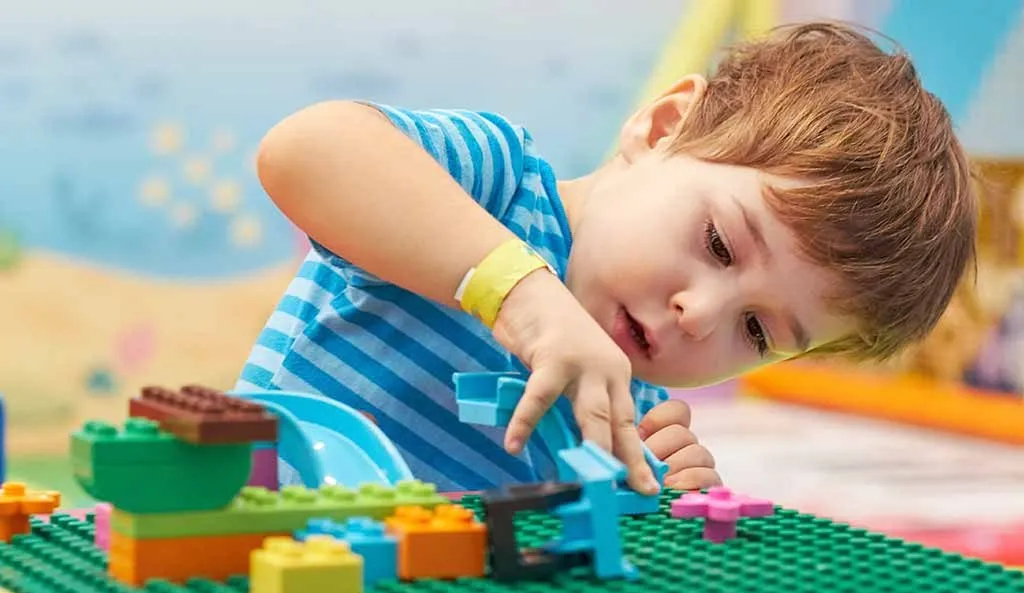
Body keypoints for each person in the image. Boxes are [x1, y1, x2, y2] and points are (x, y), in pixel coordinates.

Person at [236, 22, 977, 495]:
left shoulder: (633, 413)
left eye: (757, 332)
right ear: (662, 127)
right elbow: (307, 150)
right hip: (223, 566)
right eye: (719, 243)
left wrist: (656, 503)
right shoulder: (497, 186)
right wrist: (520, 293)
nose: (702, 313)